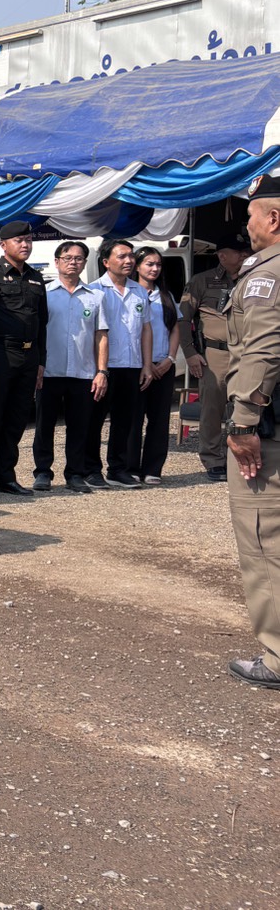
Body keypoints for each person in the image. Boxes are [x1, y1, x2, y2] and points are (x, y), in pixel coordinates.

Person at [221, 173, 280, 691]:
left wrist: (242, 421)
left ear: (274, 218)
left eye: (251, 216)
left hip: (271, 431)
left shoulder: (267, 275)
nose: (248, 226)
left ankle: (278, 657)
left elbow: (261, 349)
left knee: (264, 539)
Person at [0, 221, 47, 499]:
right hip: (0, 353)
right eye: (19, 241)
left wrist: (41, 362)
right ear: (4, 245)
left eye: (28, 240)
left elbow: (43, 323)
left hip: (29, 357)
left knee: (16, 419)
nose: (25, 245)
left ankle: (7, 475)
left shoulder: (36, 278)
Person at [31, 241, 108, 495]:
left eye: (78, 258)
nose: (72, 262)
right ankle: (43, 471)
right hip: (49, 371)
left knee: (79, 426)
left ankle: (75, 473)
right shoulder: (45, 294)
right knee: (44, 425)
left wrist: (102, 371)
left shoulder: (96, 296)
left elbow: (101, 335)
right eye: (67, 257)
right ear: (57, 262)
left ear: (84, 263)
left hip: (82, 372)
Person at [82, 239, 153, 490]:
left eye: (131, 256)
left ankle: (118, 469)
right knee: (95, 419)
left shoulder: (140, 291)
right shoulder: (93, 291)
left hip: (132, 365)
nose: (129, 261)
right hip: (104, 367)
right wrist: (97, 369)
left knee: (126, 420)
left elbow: (146, 329)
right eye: (122, 256)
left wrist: (146, 365)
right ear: (105, 262)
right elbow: (91, 333)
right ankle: (90, 470)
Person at [179, 232, 248, 481]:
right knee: (212, 408)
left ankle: (239, 456)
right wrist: (190, 353)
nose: (221, 255)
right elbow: (183, 318)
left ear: (242, 255)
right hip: (214, 354)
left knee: (244, 407)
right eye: (219, 252)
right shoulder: (202, 281)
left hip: (247, 353)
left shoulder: (254, 280)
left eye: (226, 252)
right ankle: (213, 458)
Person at [134, 245, 181, 485]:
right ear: (137, 266)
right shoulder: (131, 293)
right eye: (149, 264)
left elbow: (175, 328)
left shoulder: (166, 295)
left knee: (159, 419)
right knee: (133, 418)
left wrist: (170, 359)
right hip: (138, 366)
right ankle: (130, 467)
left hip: (163, 364)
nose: (154, 268)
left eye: (158, 264)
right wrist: (146, 364)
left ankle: (153, 468)